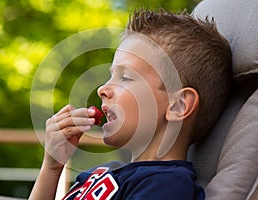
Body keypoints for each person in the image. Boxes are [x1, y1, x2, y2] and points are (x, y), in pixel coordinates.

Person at [29, 9, 232, 200]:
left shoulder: (166, 184)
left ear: (177, 105)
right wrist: (52, 167)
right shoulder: (104, 173)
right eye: (111, 76)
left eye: (125, 77)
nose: (102, 89)